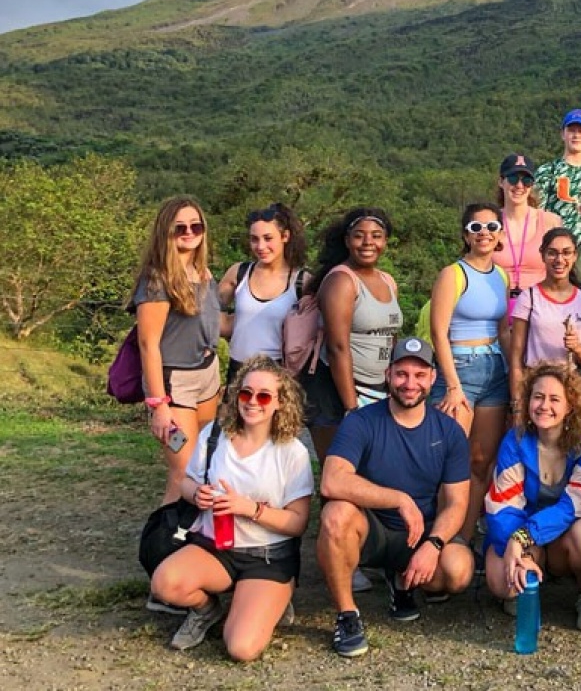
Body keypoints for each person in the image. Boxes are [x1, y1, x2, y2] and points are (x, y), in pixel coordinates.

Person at [316, 337, 475, 658]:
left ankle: (402, 581)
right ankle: (347, 616)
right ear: (388, 375)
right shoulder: (361, 421)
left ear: (433, 378)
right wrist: (398, 499)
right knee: (335, 514)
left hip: (420, 533)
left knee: (458, 571)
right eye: (402, 374)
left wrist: (434, 544)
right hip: (371, 530)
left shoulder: (449, 431)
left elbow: (458, 503)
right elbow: (332, 481)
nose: (410, 384)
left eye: (419, 375)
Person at [151, 357, 313, 658]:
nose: (253, 402)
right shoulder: (215, 434)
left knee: (241, 648)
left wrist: (250, 508)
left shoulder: (292, 451)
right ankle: (206, 609)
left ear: (280, 403)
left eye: (264, 396)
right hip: (216, 547)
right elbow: (186, 482)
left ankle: (272, 598)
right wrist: (196, 493)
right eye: (245, 393)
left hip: (267, 555)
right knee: (164, 584)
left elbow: (298, 523)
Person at [484, 363, 581, 631]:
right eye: (538, 397)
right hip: (527, 530)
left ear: (570, 406)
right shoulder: (515, 440)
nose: (544, 406)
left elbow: (572, 507)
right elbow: (502, 505)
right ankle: (529, 578)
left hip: (566, 532)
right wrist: (520, 548)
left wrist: (522, 538)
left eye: (555, 399)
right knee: (499, 583)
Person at [429, 202, 512, 547]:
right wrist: (451, 385)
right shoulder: (454, 273)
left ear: (500, 234)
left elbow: (505, 330)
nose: (484, 234)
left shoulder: (502, 275)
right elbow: (438, 331)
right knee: (447, 460)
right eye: (476, 228)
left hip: (495, 369)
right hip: (460, 368)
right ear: (465, 234)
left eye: (492, 227)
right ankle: (436, 538)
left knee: (481, 461)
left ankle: (463, 538)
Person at [133, 197, 222, 512]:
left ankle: (192, 537)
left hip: (207, 376)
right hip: (174, 384)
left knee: (206, 462)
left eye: (195, 226)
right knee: (182, 469)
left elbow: (215, 324)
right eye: (179, 227)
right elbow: (148, 344)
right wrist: (159, 405)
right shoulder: (157, 280)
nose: (189, 232)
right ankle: (163, 544)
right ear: (165, 231)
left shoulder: (204, 274)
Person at [302, 208, 402, 466]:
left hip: (377, 388)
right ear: (347, 240)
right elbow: (337, 347)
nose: (368, 242)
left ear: (385, 241)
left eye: (376, 236)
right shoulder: (341, 281)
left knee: (372, 467)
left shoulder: (388, 281)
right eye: (359, 236)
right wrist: (352, 408)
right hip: (337, 392)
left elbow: (391, 338)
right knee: (339, 470)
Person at [218, 203, 308, 386]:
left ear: (285, 237)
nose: (261, 246)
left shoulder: (302, 281)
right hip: (238, 369)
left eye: (268, 238)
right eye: (254, 239)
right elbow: (217, 322)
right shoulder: (239, 273)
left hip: (279, 372)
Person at [507, 226, 581, 404]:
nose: (559, 260)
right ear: (542, 255)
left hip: (570, 386)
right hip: (535, 387)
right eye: (552, 253)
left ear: (575, 256)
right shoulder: (529, 298)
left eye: (566, 253)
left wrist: (578, 348)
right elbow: (516, 358)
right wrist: (518, 404)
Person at [494, 153, 563, 301]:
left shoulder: (550, 222)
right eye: (513, 179)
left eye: (526, 181)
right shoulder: (490, 222)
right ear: (501, 182)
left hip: (539, 304)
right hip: (495, 303)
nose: (519, 186)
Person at [535, 108, 581, 244]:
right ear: (563, 134)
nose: (576, 135)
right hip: (556, 249)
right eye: (571, 130)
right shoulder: (547, 172)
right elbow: (536, 216)